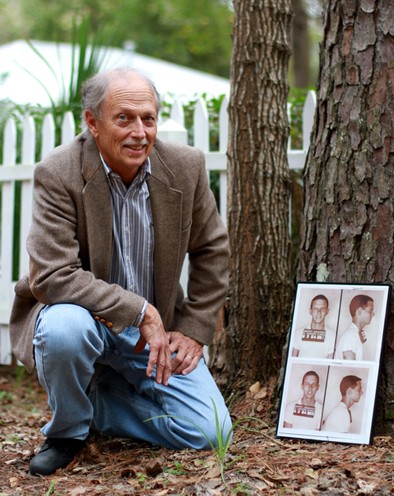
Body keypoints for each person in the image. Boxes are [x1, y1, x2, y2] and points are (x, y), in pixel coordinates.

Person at [9, 67, 232, 476]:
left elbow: (212, 248)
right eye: (124, 118)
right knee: (64, 328)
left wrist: (195, 328)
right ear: (92, 122)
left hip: (155, 338)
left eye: (148, 118)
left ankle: (96, 405)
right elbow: (53, 275)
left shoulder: (185, 167)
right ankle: (67, 433)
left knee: (209, 432)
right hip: (86, 321)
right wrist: (140, 310)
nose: (139, 132)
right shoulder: (58, 172)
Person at [291, 294, 335, 359]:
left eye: (322, 309)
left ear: (327, 311)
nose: (318, 312)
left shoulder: (332, 336)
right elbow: (293, 359)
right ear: (310, 311)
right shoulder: (298, 333)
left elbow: (329, 362)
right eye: (315, 309)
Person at [336, 295, 374, 360]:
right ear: (359, 311)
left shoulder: (355, 334)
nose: (373, 314)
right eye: (370, 311)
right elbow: (349, 367)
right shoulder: (350, 336)